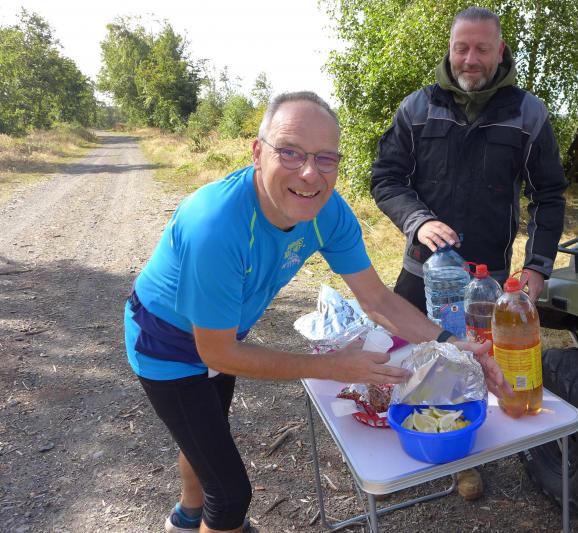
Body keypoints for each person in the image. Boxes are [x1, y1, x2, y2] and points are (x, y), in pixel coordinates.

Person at [124, 91, 511, 533]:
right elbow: (217, 353)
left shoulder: (328, 212)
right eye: (290, 152)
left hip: (222, 334)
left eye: (326, 158)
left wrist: (454, 345)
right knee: (229, 493)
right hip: (165, 344)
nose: (310, 174)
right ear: (257, 152)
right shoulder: (214, 226)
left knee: (206, 435)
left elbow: (377, 300)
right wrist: (330, 367)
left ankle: (186, 517)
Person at [371, 7, 567, 309]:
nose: (470, 60)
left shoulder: (529, 113)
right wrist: (418, 221)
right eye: (461, 48)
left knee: (484, 343)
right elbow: (386, 178)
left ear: (499, 51)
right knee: (405, 341)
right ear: (450, 48)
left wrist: (538, 264)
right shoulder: (417, 108)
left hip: (489, 280)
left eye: (482, 49)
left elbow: (549, 194)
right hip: (422, 274)